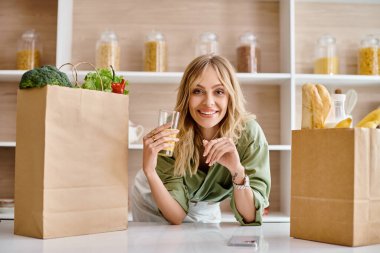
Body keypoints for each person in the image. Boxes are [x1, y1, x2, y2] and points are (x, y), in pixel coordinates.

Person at [132, 54, 271, 225]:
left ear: (230, 96)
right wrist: (150, 172)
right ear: (187, 96)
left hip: (206, 206)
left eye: (219, 91)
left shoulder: (249, 134)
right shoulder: (172, 131)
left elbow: (250, 218)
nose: (209, 102)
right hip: (155, 196)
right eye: (197, 91)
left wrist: (237, 171)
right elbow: (176, 217)